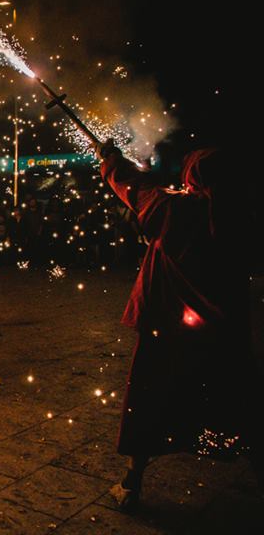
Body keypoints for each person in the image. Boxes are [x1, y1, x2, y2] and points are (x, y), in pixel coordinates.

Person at [96, 140, 260, 510]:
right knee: (242, 403)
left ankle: (132, 484)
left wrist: (111, 161)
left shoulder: (177, 209)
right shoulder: (242, 219)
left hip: (166, 329)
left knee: (148, 402)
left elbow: (135, 189)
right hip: (221, 335)